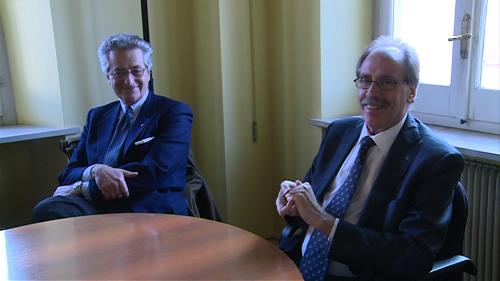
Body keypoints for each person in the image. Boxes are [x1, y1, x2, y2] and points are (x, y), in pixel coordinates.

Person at [276, 36, 464, 281]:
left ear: (412, 92)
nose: (372, 92)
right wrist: (293, 204)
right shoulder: (339, 132)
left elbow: (411, 256)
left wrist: (325, 221)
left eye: (387, 82)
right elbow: (311, 203)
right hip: (296, 265)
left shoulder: (436, 160)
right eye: (365, 80)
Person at [33, 33, 193, 222]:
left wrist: (82, 188)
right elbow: (68, 174)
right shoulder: (97, 116)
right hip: (101, 206)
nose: (129, 80)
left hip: (148, 206)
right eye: (118, 73)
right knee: (48, 209)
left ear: (148, 72)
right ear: (108, 77)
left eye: (136, 70)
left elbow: (151, 174)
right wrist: (96, 170)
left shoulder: (174, 113)